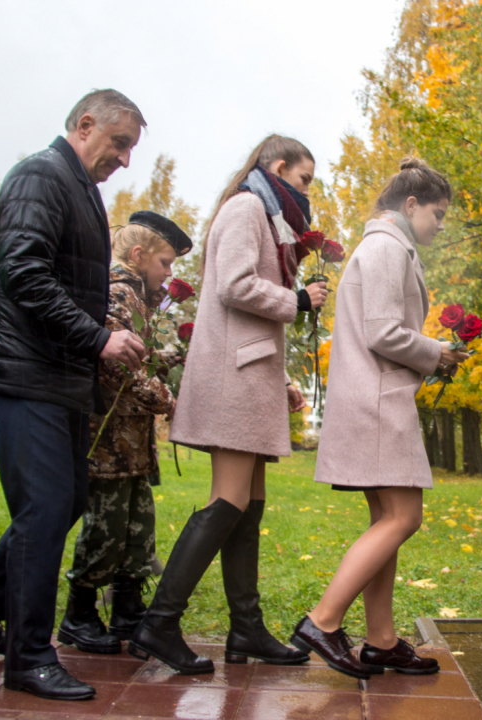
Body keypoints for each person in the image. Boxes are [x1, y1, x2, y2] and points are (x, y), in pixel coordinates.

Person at [0, 89, 148, 701]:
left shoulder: (79, 189)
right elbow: (24, 272)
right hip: (23, 376)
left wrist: (98, 341)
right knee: (44, 509)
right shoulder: (40, 175)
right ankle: (28, 656)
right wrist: (98, 339)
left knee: (64, 502)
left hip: (59, 382)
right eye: (120, 144)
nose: (125, 160)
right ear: (85, 125)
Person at [127, 135, 327, 675]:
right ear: (278, 166)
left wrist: (281, 375)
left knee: (249, 503)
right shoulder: (246, 207)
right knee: (229, 500)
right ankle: (159, 623)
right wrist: (299, 300)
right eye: (304, 179)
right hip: (234, 378)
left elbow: (247, 311)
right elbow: (235, 287)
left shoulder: (266, 215)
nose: (307, 191)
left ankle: (246, 629)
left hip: (252, 374)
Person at [291, 158, 470, 679]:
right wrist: (436, 351)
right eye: (437, 214)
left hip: (373, 396)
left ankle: (381, 640)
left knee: (386, 521)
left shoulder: (387, 246)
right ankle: (322, 621)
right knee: (403, 518)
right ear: (409, 205)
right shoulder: (389, 248)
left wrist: (433, 355)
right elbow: (384, 333)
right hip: (377, 402)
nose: (441, 224)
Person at [60, 212, 192, 655]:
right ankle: (79, 615)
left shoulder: (139, 301)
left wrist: (174, 356)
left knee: (137, 528)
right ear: (138, 256)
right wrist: (170, 404)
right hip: (109, 441)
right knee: (105, 527)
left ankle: (128, 610)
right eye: (166, 263)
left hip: (131, 444)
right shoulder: (116, 294)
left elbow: (144, 356)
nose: (170, 273)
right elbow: (117, 366)